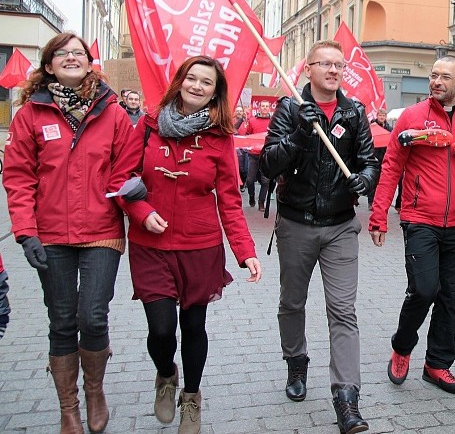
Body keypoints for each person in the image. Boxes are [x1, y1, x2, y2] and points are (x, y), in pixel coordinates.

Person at [119, 56, 262, 434]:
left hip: (200, 245)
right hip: (151, 243)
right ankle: (166, 375)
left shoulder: (220, 136)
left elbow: (230, 200)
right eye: (192, 78)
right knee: (162, 328)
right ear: (180, 81)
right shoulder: (149, 126)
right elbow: (123, 178)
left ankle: (191, 398)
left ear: (217, 92)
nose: (198, 86)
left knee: (194, 325)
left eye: (207, 83)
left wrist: (245, 251)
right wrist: (140, 211)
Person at [3, 32, 137, 433]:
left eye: (79, 52)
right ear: (49, 66)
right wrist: (25, 232)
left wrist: (132, 189)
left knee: (92, 316)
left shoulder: (113, 112)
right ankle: (69, 409)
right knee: (61, 320)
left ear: (90, 62)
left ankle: (95, 391)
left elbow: (127, 166)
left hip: (101, 231)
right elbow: (18, 176)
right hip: (51, 234)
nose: (72, 57)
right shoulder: (30, 115)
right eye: (63, 53)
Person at [369, 55, 455, 395]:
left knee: (449, 296)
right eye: (433, 75)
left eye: (445, 76)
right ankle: (402, 346)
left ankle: (437, 364)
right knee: (425, 289)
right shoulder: (414, 118)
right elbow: (391, 168)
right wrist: (379, 215)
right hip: (419, 220)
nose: (436, 81)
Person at [261, 40, 378, 434]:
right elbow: (267, 163)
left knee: (343, 311)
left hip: (341, 226)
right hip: (296, 223)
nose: (332, 70)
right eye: (324, 64)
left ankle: (347, 400)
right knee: (292, 303)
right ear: (307, 69)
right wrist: (299, 131)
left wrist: (366, 178)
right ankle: (296, 361)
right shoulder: (289, 109)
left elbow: (369, 160)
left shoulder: (353, 111)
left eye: (338, 65)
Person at [246, 100, 273, 210]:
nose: (265, 108)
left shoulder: (273, 121)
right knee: (249, 180)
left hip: (267, 155)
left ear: (269, 108)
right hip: (254, 155)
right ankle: (251, 196)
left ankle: (261, 202)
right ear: (259, 108)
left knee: (265, 181)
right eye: (263, 106)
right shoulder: (252, 121)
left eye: (267, 106)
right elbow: (248, 135)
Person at [368, 108, 393, 209]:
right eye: (380, 115)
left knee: (382, 182)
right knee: (373, 180)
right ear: (377, 116)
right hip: (374, 156)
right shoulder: (371, 127)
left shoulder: (389, 129)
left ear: (385, 117)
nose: (382, 117)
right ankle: (371, 201)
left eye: (383, 116)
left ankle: (379, 202)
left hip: (384, 157)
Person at [233, 106, 249, 191]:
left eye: (240, 111)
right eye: (237, 111)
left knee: (246, 169)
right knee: (241, 167)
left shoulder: (248, 121)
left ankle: (244, 181)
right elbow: (233, 129)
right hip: (237, 148)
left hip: (247, 147)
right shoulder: (232, 121)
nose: (239, 112)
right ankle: (241, 183)